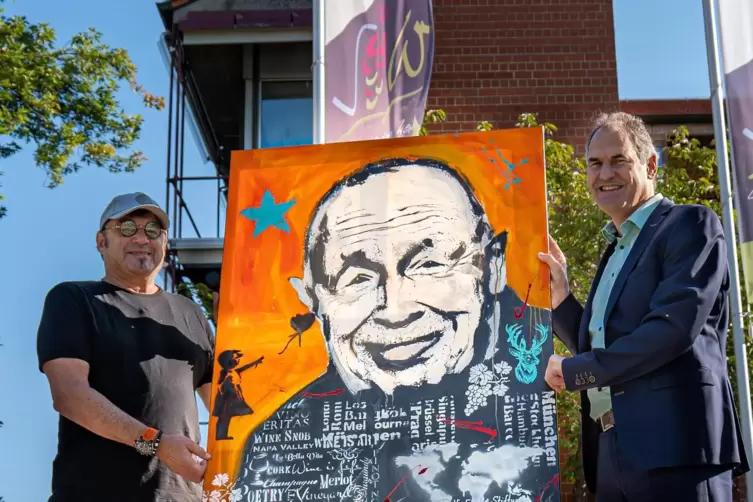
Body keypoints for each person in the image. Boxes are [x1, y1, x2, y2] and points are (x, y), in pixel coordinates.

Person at [232, 157, 558, 501]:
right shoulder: (278, 447)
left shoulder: (542, 367)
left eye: (428, 264)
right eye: (357, 279)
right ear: (314, 300)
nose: (395, 309)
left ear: (492, 265)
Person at [539, 112, 750, 501]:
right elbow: (603, 348)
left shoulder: (691, 225)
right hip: (610, 453)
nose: (604, 174)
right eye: (594, 163)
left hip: (676, 451)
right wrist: (562, 300)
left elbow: (671, 330)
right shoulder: (615, 250)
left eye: (618, 160)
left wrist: (578, 371)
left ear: (651, 164)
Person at [36, 192, 216, 502]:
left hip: (184, 496)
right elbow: (69, 396)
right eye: (127, 228)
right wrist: (156, 444)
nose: (142, 239)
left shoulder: (190, 313)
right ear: (101, 241)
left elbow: (227, 405)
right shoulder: (74, 300)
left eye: (152, 230)